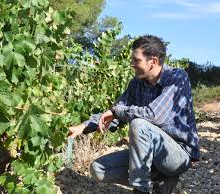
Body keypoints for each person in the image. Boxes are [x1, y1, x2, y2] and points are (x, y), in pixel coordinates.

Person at [67, 35, 200, 194]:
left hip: (178, 154)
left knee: (139, 124)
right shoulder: (136, 83)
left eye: (136, 60)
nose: (132, 64)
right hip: (149, 154)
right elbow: (115, 113)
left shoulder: (177, 77)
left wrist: (117, 112)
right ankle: (158, 178)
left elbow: (153, 115)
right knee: (98, 169)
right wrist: (83, 127)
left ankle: (141, 189)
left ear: (154, 61)